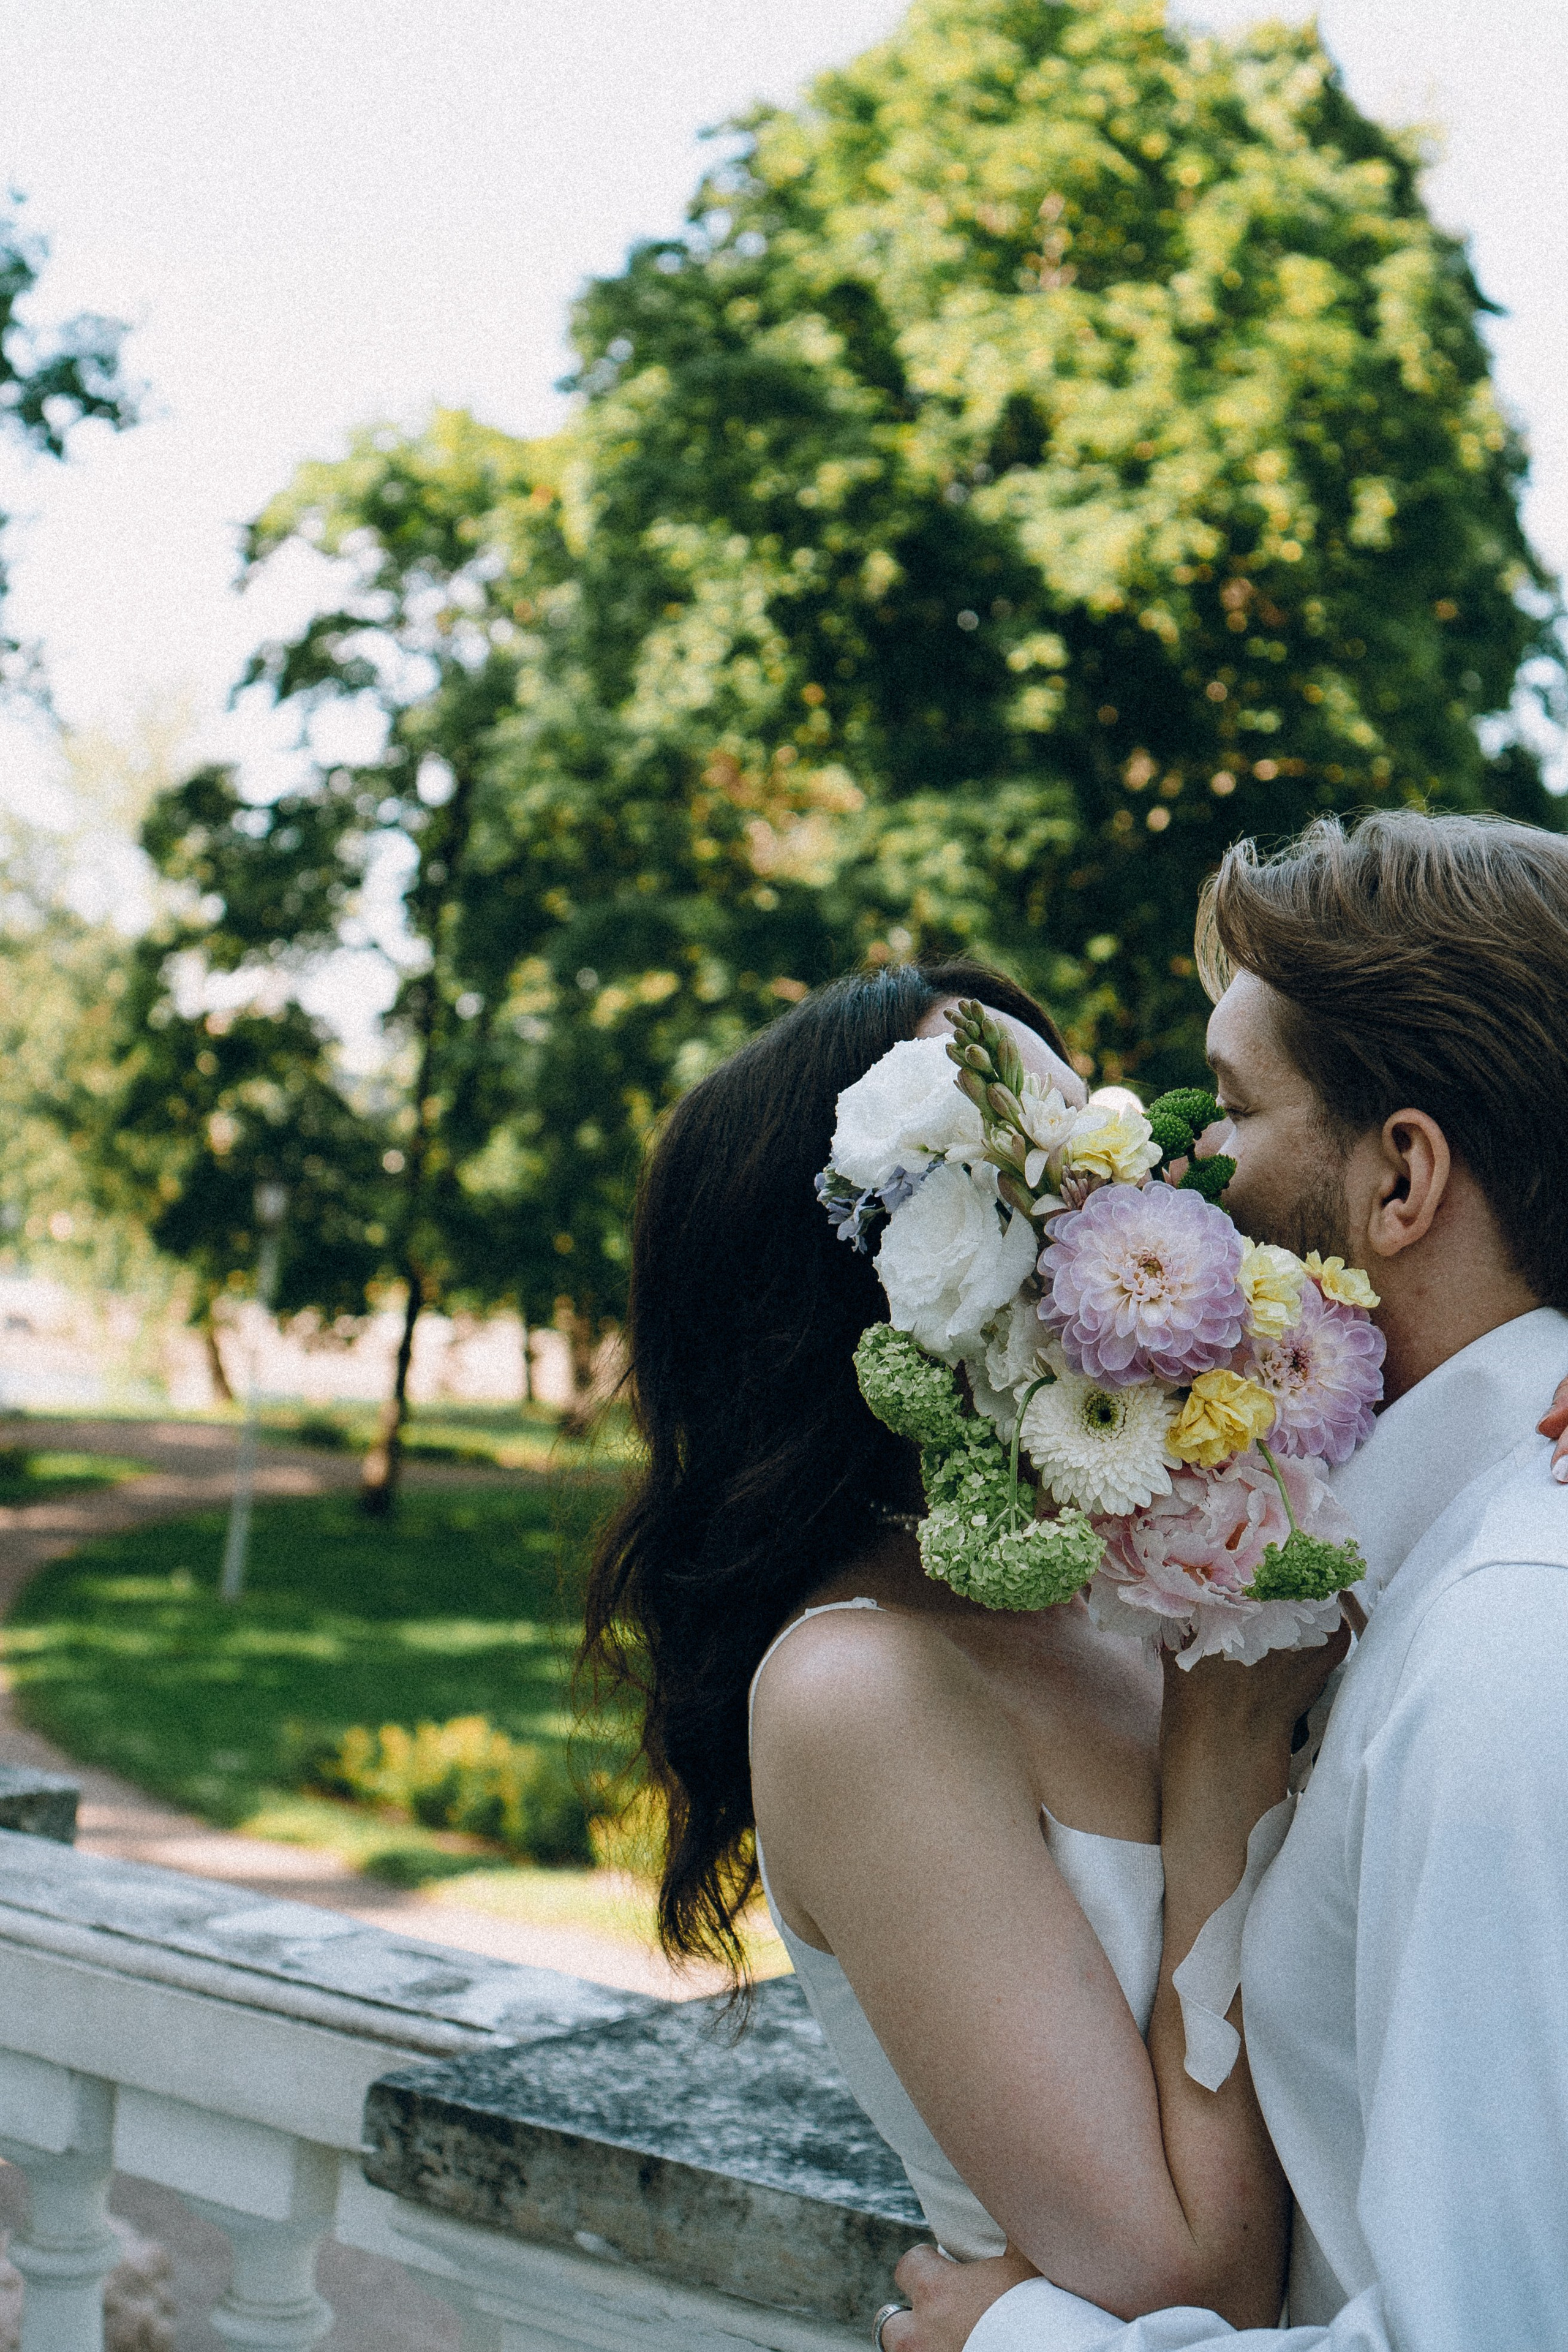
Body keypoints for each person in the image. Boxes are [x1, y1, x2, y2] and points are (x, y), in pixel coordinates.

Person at [583, 954, 1349, 2329]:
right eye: (1030, 1167)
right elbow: (1193, 2287)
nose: (1121, 1206)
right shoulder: (859, 1692)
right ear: (864, 1278)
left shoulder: (1139, 1580)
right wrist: (1216, 1798)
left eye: (1091, 1139)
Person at [887, 809, 1568, 2352]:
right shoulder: (1415, 1586)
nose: (1182, 1162)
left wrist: (1019, 2344)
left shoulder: (1501, 1654)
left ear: (1400, 1181)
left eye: (1234, 1108)